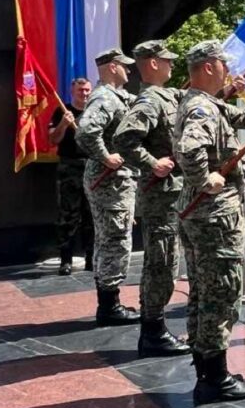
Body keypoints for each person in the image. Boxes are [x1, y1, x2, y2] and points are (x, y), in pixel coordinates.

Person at [174, 40, 245, 405]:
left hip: (201, 214)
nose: (226, 71)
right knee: (222, 293)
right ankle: (214, 379)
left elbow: (236, 118)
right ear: (207, 67)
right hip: (214, 215)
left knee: (203, 292)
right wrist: (205, 178)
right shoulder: (201, 108)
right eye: (222, 65)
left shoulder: (203, 103)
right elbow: (189, 148)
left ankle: (207, 368)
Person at [113, 41, 191, 357]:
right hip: (160, 196)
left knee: (167, 262)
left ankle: (154, 330)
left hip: (172, 194)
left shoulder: (168, 96)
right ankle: (152, 333)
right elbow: (124, 138)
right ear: (154, 63)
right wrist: (152, 163)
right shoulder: (149, 100)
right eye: (167, 60)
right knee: (160, 264)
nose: (172, 65)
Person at [76, 49, 140, 325]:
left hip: (113, 182)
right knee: (114, 239)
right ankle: (109, 306)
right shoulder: (104, 97)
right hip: (109, 182)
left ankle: (109, 301)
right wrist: (105, 156)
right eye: (125, 66)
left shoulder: (117, 97)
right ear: (113, 67)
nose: (129, 70)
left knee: (110, 238)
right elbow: (86, 130)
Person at [49, 78, 95, 275]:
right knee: (68, 216)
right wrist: (63, 125)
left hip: (92, 167)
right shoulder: (62, 111)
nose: (83, 94)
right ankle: (65, 260)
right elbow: (52, 139)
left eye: (86, 90)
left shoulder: (95, 111)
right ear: (72, 91)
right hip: (70, 168)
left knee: (92, 216)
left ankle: (91, 258)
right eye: (80, 90)